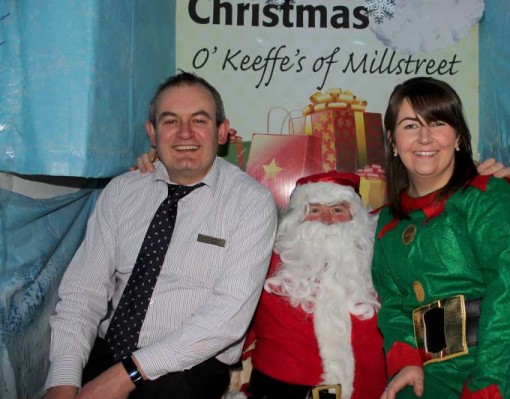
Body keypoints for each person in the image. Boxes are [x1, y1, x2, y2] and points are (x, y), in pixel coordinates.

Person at [43, 71, 278, 399]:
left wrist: (125, 375)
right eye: (170, 121)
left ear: (222, 132)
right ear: (152, 133)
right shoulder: (122, 191)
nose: (185, 133)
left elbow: (226, 318)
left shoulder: (250, 203)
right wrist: (63, 381)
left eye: (199, 120)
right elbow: (83, 292)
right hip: (107, 349)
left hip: (190, 365)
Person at [372, 77, 510, 399]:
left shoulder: (492, 196)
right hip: (433, 373)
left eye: (438, 122)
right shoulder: (389, 219)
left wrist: (489, 385)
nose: (425, 137)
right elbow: (394, 303)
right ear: (392, 139)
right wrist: (405, 362)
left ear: (458, 136)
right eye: (410, 125)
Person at [239, 171, 386, 399]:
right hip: (280, 392)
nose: (326, 220)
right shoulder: (267, 263)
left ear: (356, 217)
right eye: (315, 210)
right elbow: (234, 323)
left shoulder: (378, 263)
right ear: (296, 218)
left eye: (337, 210)